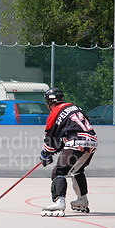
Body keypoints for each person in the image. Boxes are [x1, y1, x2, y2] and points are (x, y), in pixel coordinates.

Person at [39, 88, 98, 216]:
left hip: (76, 142)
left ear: (49, 102)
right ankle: (82, 200)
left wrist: (46, 153)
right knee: (77, 171)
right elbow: (73, 129)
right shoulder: (74, 107)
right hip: (91, 141)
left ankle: (59, 201)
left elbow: (50, 138)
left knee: (59, 171)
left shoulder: (54, 112)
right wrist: (56, 149)